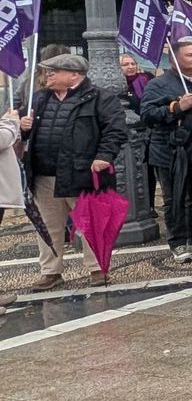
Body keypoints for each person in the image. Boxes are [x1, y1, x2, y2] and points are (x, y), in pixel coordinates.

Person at [20, 54, 127, 290]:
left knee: (90, 224)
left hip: (82, 174)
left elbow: (115, 130)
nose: (47, 75)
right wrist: (22, 127)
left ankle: (97, 268)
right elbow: (24, 135)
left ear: (74, 75)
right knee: (47, 226)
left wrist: (103, 156)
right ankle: (51, 271)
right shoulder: (37, 100)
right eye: (47, 71)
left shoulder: (100, 98)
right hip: (43, 175)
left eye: (53, 71)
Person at [140, 38, 192, 263]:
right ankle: (178, 241)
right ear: (174, 60)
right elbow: (148, 114)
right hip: (170, 150)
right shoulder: (159, 84)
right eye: (190, 54)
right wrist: (176, 108)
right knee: (175, 198)